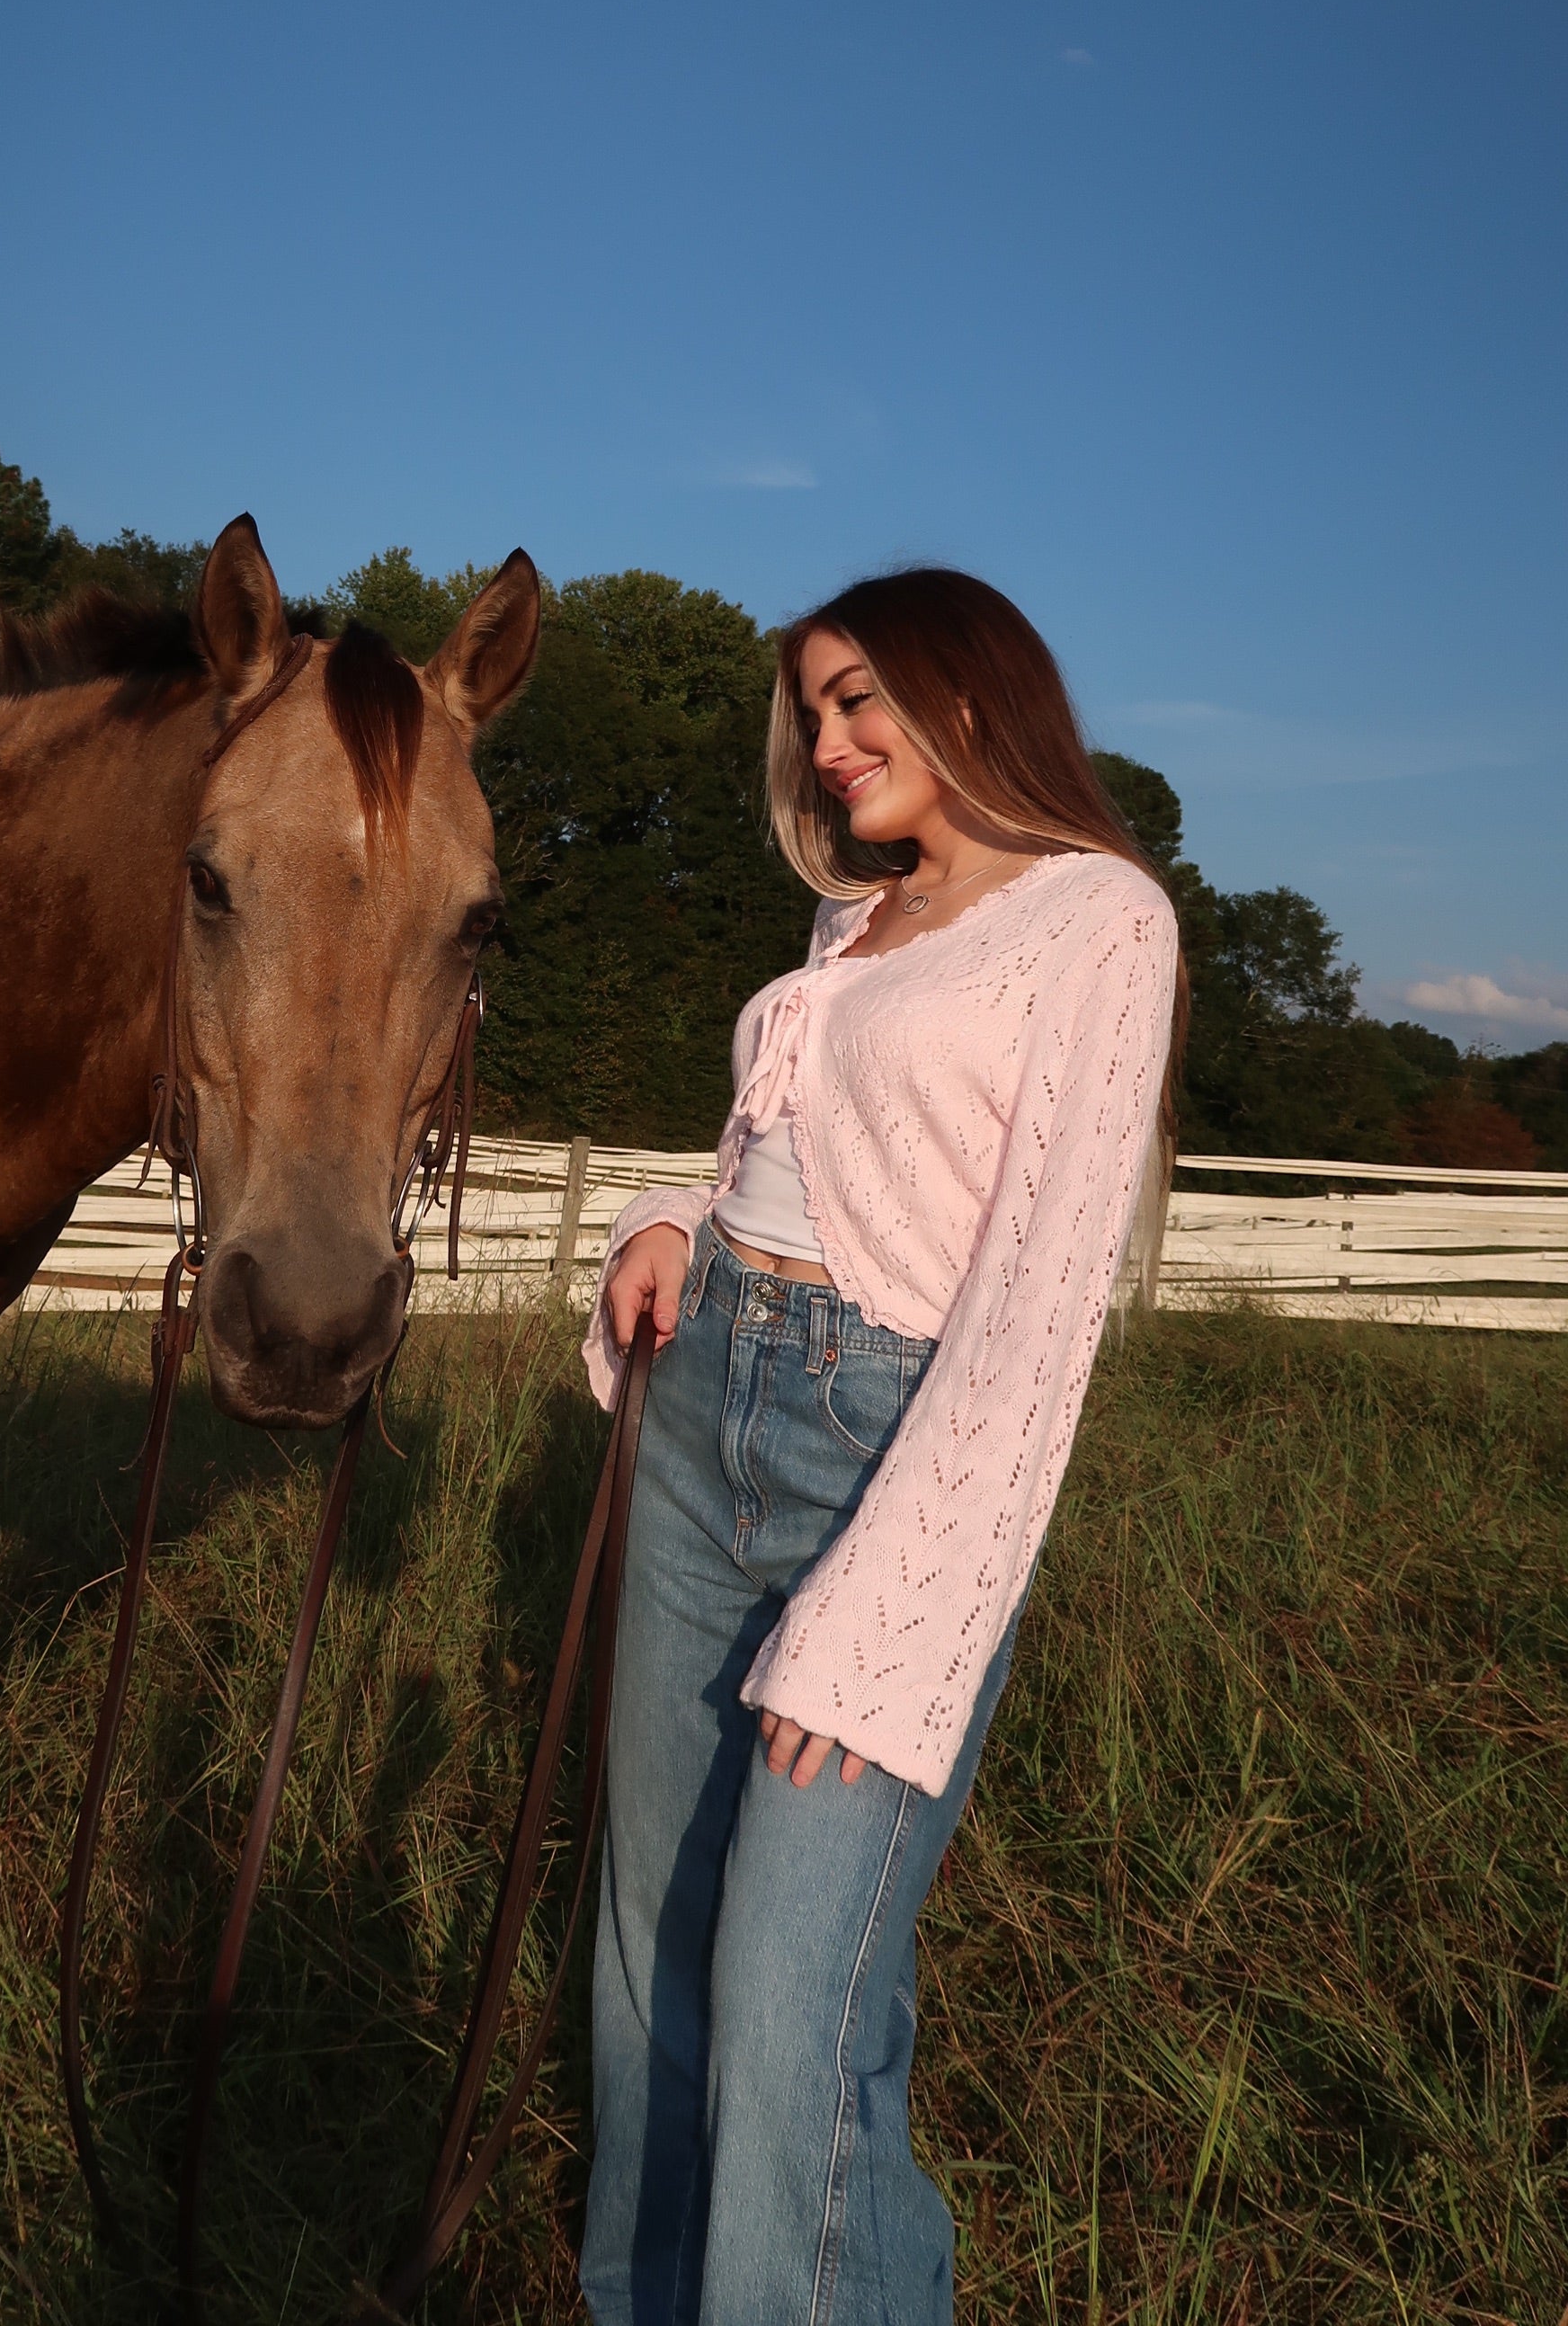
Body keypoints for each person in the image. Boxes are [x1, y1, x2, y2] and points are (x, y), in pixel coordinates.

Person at [579, 566, 1181, 2326]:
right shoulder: (851, 927)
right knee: (644, 1961)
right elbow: (764, 1155)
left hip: (885, 1455)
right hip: (706, 1420)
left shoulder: (1094, 920)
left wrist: (880, 1629)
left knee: (791, 1997)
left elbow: (1029, 1318)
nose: (830, 746)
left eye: (860, 701)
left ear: (969, 691)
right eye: (815, 715)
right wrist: (666, 1220)